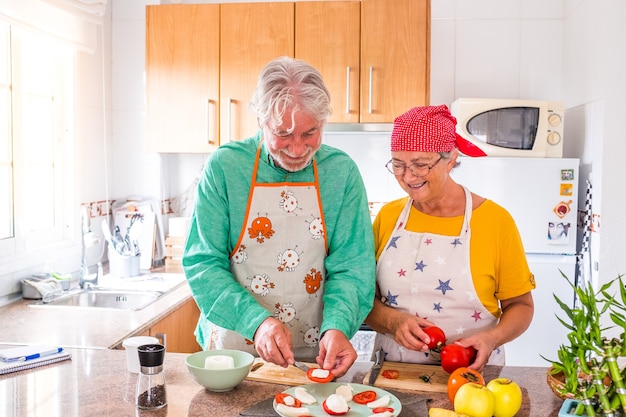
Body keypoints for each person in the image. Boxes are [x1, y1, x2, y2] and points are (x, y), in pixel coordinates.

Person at [182, 56, 376, 377]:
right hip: (235, 350)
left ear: (323, 122)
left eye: (310, 133)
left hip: (318, 352)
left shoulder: (341, 172)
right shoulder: (226, 167)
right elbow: (202, 263)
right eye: (283, 134)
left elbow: (352, 266)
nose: (298, 149)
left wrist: (338, 327)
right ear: (260, 120)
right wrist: (256, 323)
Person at [365, 105, 535, 371]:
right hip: (392, 375)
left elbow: (521, 306)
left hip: (471, 375)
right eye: (398, 165)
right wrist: (392, 322)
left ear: (451, 159)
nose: (408, 176)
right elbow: (364, 298)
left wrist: (492, 338)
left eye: (420, 165)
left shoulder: (495, 221)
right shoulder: (388, 217)